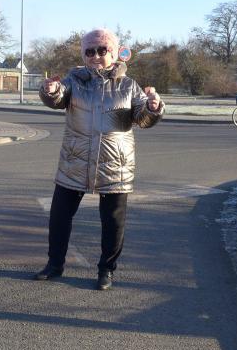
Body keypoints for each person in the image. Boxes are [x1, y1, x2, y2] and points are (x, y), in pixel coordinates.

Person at [34, 28, 164, 290]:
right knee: (59, 216)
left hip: (115, 163)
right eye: (89, 51)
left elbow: (142, 118)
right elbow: (58, 98)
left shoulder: (129, 86)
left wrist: (152, 107)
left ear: (113, 54)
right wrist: (51, 90)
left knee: (113, 221)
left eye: (102, 50)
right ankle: (55, 264)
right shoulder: (74, 79)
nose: (95, 56)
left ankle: (106, 270)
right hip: (75, 160)